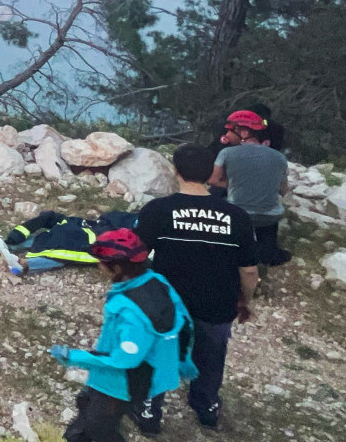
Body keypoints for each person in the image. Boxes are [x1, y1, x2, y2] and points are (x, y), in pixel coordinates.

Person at [134, 145, 259, 433]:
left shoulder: (158, 210)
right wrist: (245, 301)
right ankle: (207, 408)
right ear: (211, 175)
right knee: (211, 355)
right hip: (217, 305)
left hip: (168, 305)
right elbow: (250, 270)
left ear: (175, 170)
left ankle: (150, 412)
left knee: (158, 353)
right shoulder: (236, 216)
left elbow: (135, 257)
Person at [48, 229, 196, 442]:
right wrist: (183, 361)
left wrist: (72, 357)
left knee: (100, 429)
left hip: (120, 383)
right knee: (87, 407)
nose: (98, 266)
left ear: (117, 267)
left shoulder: (130, 312)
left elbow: (123, 361)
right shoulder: (156, 281)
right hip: (132, 374)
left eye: (100, 262)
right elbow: (184, 323)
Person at [210, 110, 292, 267]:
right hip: (270, 216)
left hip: (238, 215)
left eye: (230, 130)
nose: (227, 134)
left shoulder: (226, 152)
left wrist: (232, 184)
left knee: (215, 198)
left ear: (244, 132)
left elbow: (213, 180)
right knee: (268, 216)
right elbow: (283, 190)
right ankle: (268, 253)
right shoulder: (279, 157)